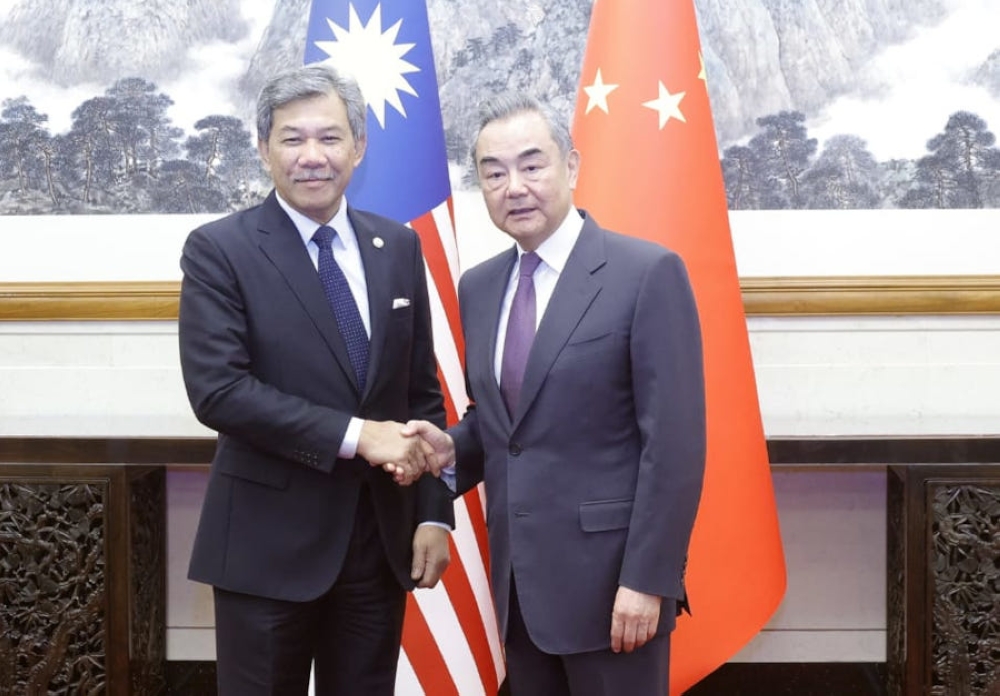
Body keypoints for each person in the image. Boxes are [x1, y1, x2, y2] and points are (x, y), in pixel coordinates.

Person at [404, 93, 706, 696]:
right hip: (519, 590)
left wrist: (648, 579)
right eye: (493, 173)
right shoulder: (481, 287)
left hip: (613, 590)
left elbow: (673, 446)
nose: (513, 186)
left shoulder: (645, 273)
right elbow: (503, 424)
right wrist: (447, 450)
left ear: (571, 166)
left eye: (531, 165)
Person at [177, 63, 453, 696]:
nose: (311, 157)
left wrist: (434, 515)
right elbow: (219, 390)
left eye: (329, 138)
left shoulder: (398, 247)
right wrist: (360, 435)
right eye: (291, 138)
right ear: (263, 147)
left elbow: (422, 397)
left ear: (358, 146)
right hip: (265, 548)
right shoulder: (221, 249)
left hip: (377, 546)